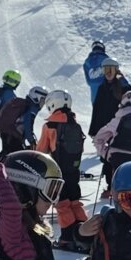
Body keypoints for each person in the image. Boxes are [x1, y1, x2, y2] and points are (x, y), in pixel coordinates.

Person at [38, 90, 88, 244]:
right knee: (75, 202)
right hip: (74, 171)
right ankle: (85, 235)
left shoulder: (50, 126)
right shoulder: (76, 125)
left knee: (62, 204)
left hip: (57, 173)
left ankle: (67, 238)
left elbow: (41, 152)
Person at [90, 55, 129, 135]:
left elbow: (128, 90)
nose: (109, 73)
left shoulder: (122, 87)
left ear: (116, 71)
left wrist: (121, 78)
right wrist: (93, 131)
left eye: (112, 70)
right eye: (106, 70)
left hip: (118, 129)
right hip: (103, 128)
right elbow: (96, 109)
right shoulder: (101, 88)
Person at [81, 41, 110, 107]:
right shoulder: (107, 60)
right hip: (107, 95)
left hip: (94, 97)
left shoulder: (86, 63)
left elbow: (88, 82)